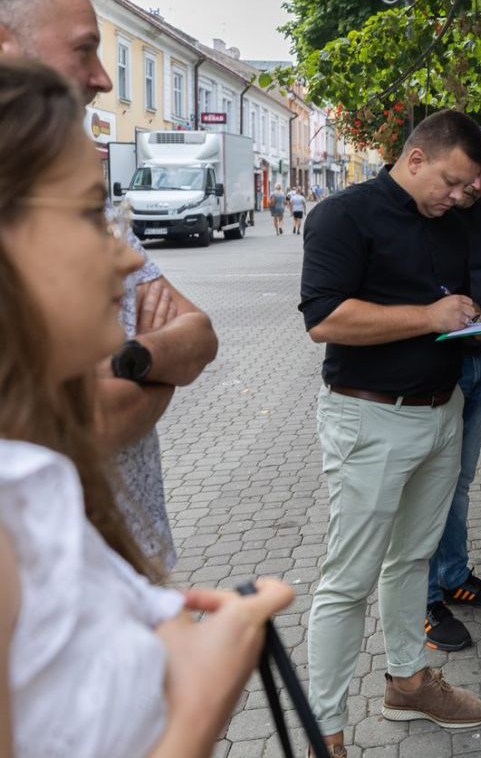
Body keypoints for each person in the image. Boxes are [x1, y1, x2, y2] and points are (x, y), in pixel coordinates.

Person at [0, 54, 294, 758]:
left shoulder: (31, 487)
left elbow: (199, 337)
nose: (130, 257)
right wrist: (202, 696)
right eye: (87, 214)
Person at [0, 0, 218, 573]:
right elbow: (89, 420)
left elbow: (200, 335)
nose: (101, 77)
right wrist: (159, 369)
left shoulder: (60, 188)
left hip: (130, 554)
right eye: (83, 49)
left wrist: (131, 362)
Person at [299, 110, 481, 756]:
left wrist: (478, 324)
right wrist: (429, 316)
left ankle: (409, 683)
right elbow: (325, 319)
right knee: (347, 579)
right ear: (416, 159)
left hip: (442, 410)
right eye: (453, 182)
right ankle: (326, 732)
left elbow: (450, 311)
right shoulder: (343, 215)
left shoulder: (455, 221)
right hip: (369, 417)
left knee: (413, 559)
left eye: (470, 187)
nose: (462, 196)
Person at [423, 127, 481, 652]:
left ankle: (454, 576)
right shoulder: (429, 209)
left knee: (460, 481)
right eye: (475, 174)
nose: (479, 186)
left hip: (478, 364)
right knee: (427, 489)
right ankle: (423, 601)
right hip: (435, 370)